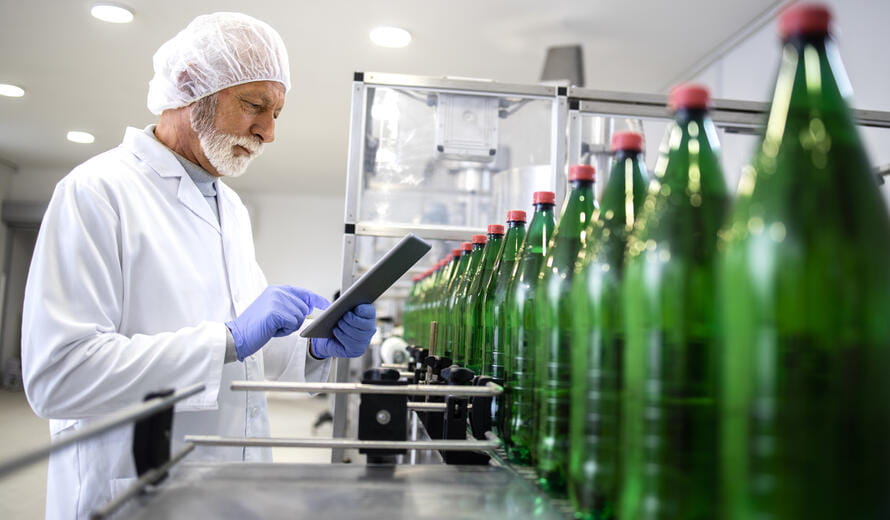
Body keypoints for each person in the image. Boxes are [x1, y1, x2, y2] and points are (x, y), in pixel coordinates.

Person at [20, 12, 375, 520]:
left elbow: (250, 356)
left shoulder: (228, 206)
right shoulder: (97, 191)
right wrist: (226, 339)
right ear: (188, 87)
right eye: (254, 105)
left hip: (232, 487)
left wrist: (314, 344)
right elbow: (59, 376)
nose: (269, 132)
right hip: (131, 490)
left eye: (277, 112)